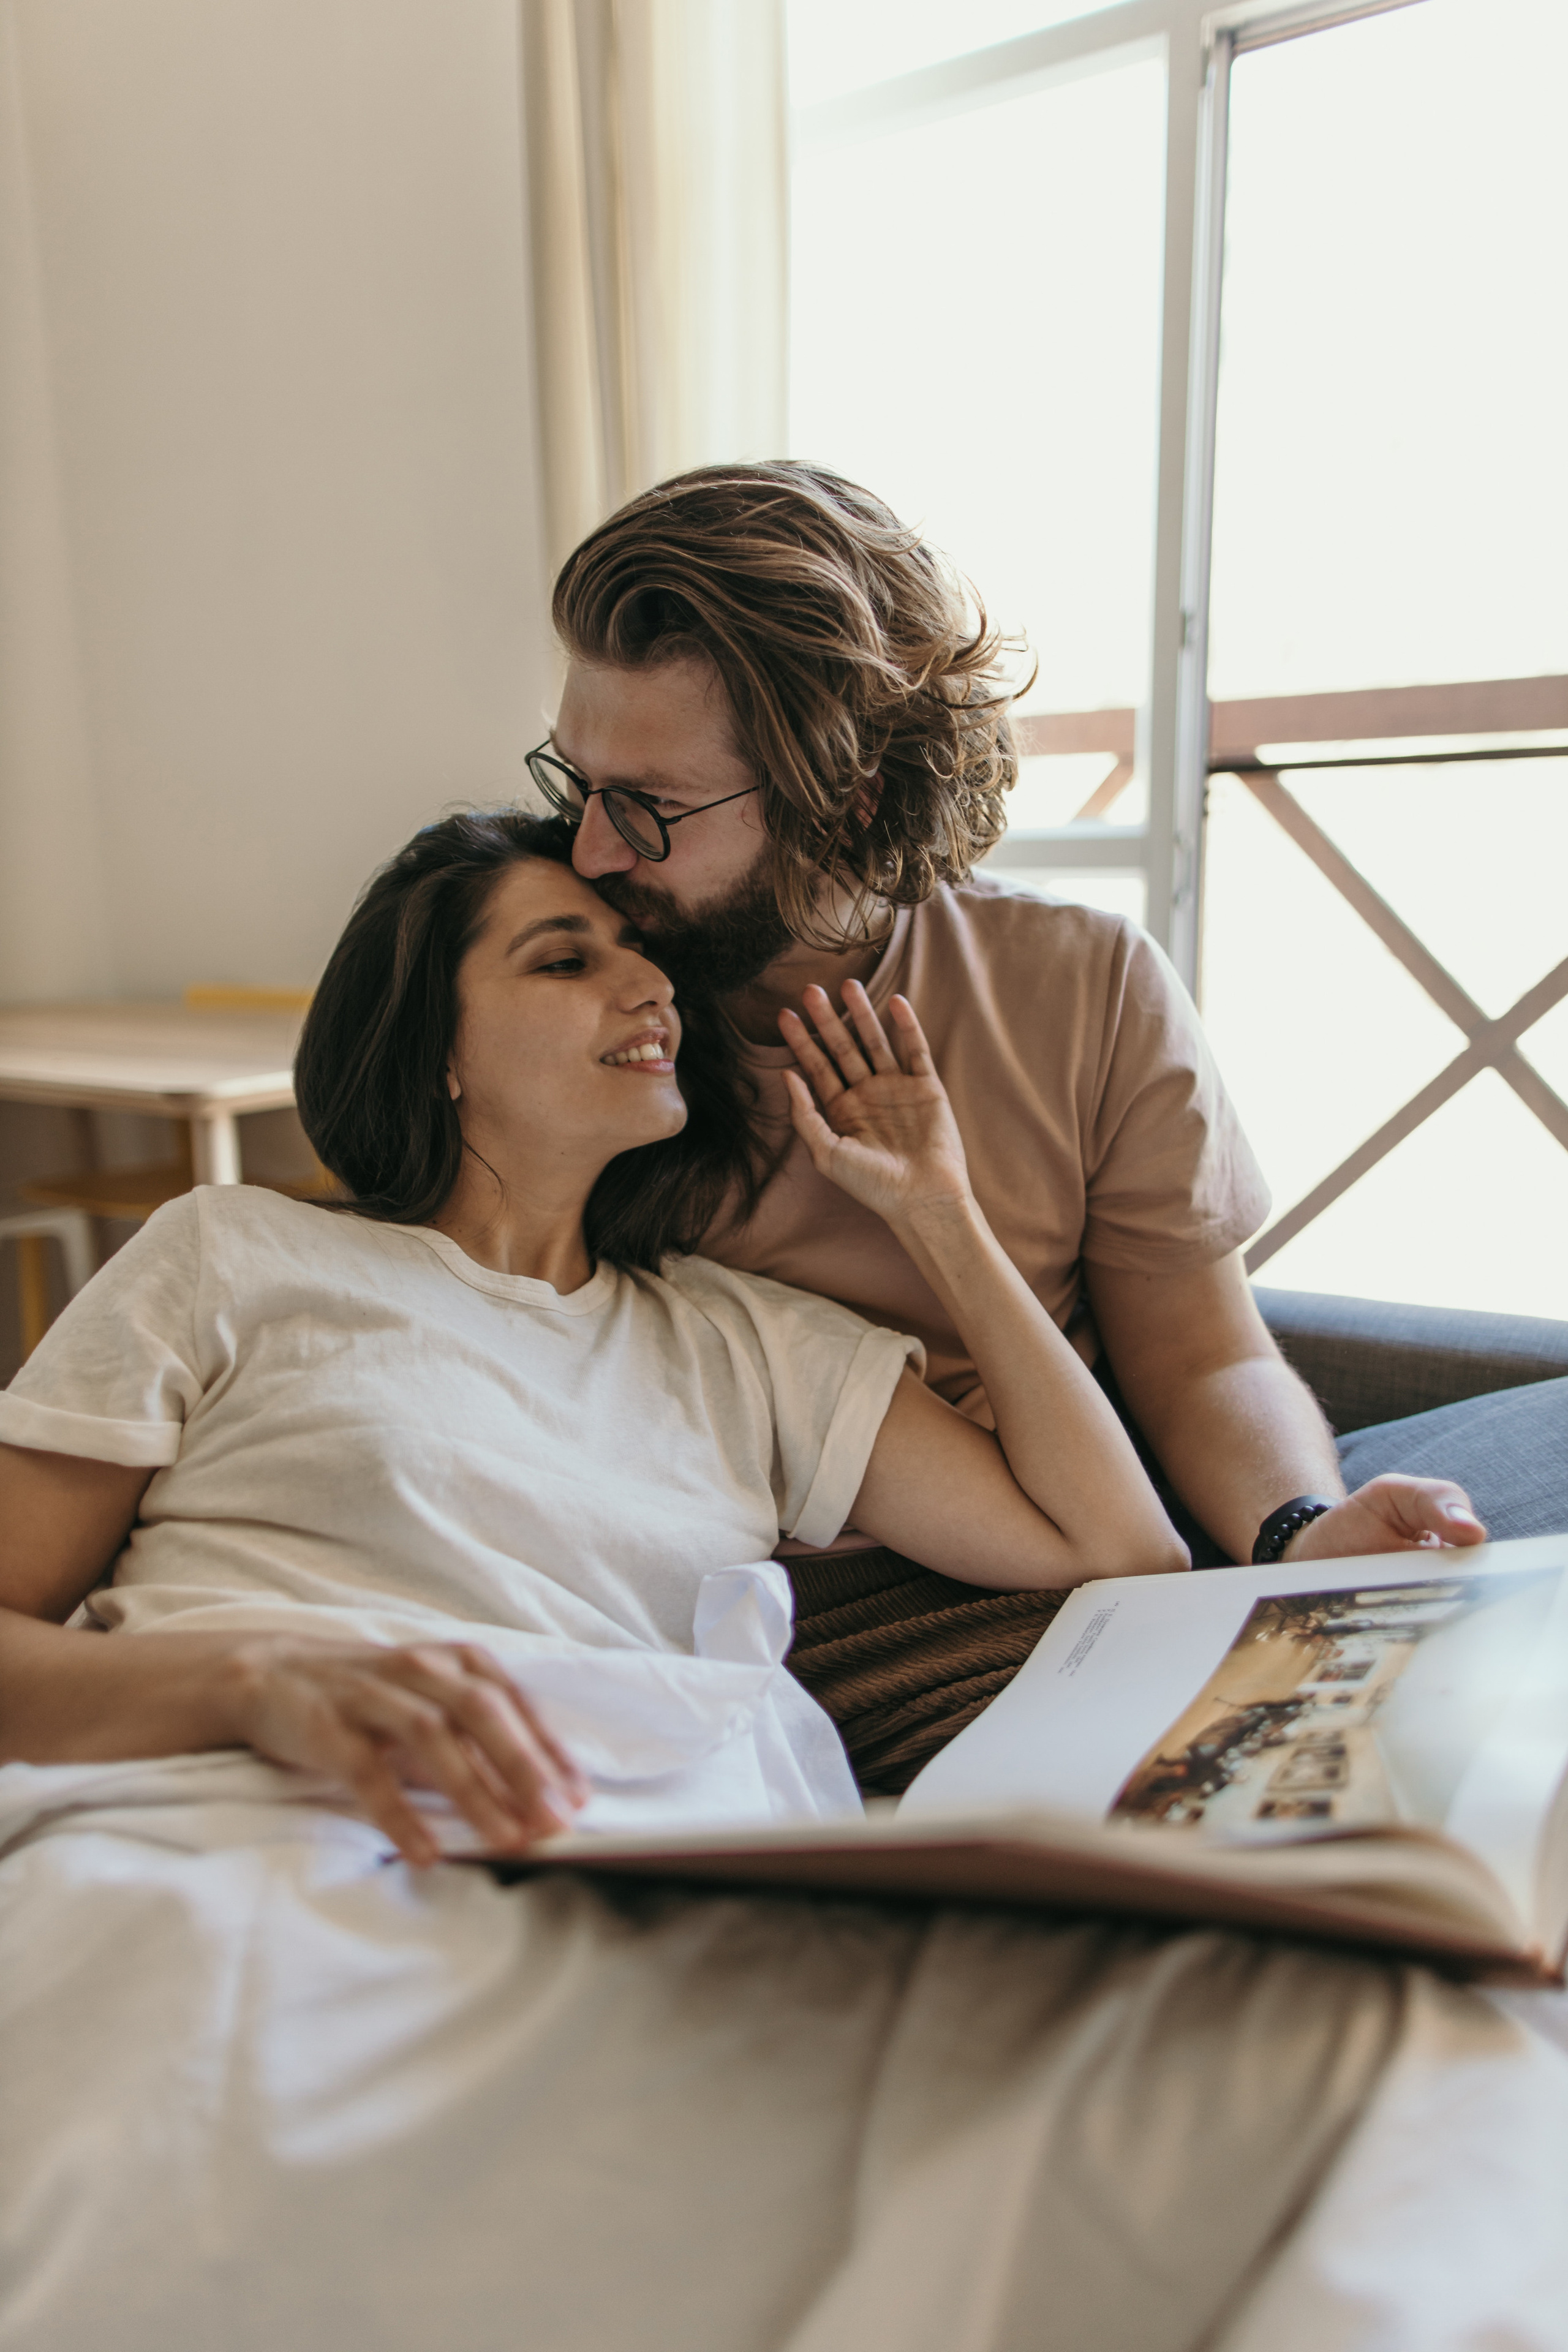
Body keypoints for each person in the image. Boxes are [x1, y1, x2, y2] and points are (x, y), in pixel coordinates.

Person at [533, 460, 1531, 1784]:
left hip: (1100, 1542)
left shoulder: (1081, 984)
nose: (592, 850)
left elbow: (1200, 1357)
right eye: (572, 779)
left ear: (845, 790)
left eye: (649, 807)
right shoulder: (560, 992)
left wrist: (1297, 1532)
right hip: (779, 1605)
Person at [0, 808, 1194, 1856]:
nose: (650, 989)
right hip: (204, 1825)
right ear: (439, 1051)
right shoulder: (232, 1255)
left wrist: (939, 1215)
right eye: (564, 960)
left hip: (564, 1863)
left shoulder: (747, 1344)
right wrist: (253, 1684)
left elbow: (1114, 1553)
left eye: (645, 959)